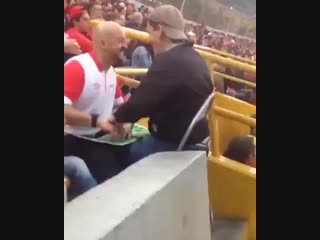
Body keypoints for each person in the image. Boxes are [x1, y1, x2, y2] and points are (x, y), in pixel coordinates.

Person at [110, 5, 214, 163]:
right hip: (194, 144)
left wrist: (114, 119)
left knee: (114, 153)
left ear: (158, 30)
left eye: (149, 32)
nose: (149, 39)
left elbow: (139, 104)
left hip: (171, 146)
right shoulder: (196, 59)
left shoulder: (169, 62)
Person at [64, 21, 128, 183]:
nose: (126, 45)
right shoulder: (78, 67)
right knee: (112, 176)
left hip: (100, 138)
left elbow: (121, 106)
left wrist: (126, 124)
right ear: (103, 43)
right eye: (120, 41)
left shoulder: (111, 72)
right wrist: (96, 120)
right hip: (75, 138)